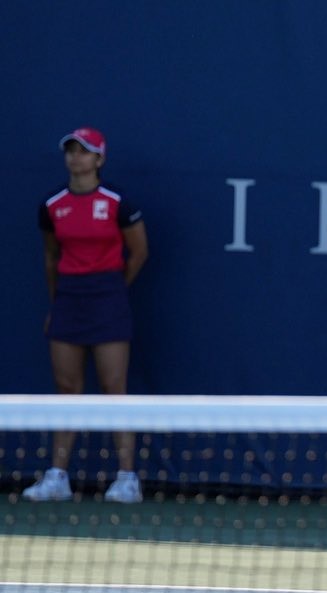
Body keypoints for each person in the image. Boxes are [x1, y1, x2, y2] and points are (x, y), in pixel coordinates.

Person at [24, 127, 149, 503]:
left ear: (99, 159)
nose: (76, 158)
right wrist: (56, 302)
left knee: (115, 389)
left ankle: (127, 478)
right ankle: (57, 477)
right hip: (68, 300)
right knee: (67, 390)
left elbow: (139, 253)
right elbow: (51, 258)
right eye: (71, 151)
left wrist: (113, 290)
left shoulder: (117, 202)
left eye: (84, 152)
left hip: (108, 296)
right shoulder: (52, 204)